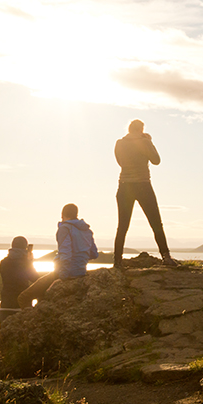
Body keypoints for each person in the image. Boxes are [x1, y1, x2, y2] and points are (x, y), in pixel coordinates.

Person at [113, 119, 177, 268]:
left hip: (124, 186)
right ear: (141, 129)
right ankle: (166, 257)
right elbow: (156, 160)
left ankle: (117, 261)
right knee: (156, 223)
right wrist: (149, 141)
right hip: (143, 185)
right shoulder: (144, 142)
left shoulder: (119, 143)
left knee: (122, 226)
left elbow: (120, 162)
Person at [18, 203, 98, 307]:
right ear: (76, 214)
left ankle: (29, 320)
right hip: (81, 272)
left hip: (66, 274)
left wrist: (62, 278)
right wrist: (80, 257)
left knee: (24, 297)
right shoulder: (87, 230)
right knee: (41, 296)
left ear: (63, 215)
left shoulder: (65, 228)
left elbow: (66, 254)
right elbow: (94, 254)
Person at [0, 236, 40, 327]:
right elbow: (35, 278)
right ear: (25, 248)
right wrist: (30, 261)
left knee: (5, 338)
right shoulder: (25, 263)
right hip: (20, 306)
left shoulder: (3, 262)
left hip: (5, 306)